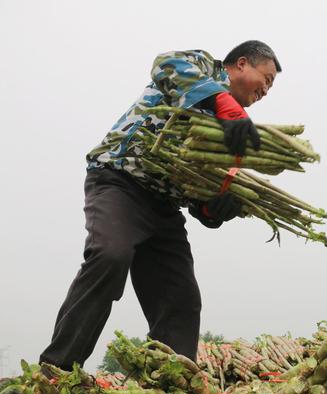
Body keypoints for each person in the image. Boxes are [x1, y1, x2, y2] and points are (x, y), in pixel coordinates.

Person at [39, 40, 281, 371]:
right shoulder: (202, 67)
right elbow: (166, 64)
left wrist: (216, 206)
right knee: (111, 255)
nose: (267, 90)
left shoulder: (231, 136)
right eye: (266, 79)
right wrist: (220, 99)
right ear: (241, 64)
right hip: (120, 182)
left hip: (164, 207)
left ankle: (174, 384)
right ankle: (56, 371)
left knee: (181, 298)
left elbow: (201, 200)